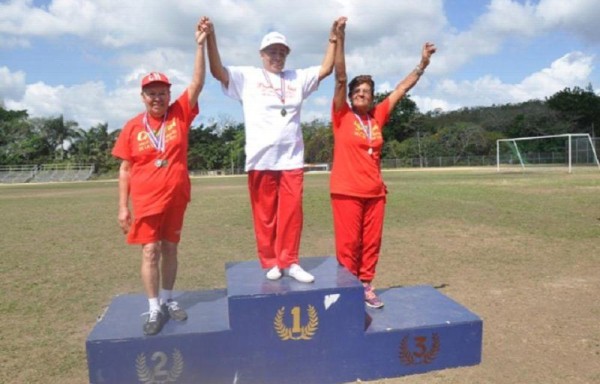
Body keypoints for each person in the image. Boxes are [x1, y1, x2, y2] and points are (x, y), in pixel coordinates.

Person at [201, 16, 345, 283]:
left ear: (287, 55)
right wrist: (211, 37)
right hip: (260, 159)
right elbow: (217, 71)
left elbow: (325, 69)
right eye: (272, 52)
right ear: (262, 54)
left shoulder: (296, 78)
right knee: (265, 216)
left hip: (291, 158)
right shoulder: (248, 76)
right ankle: (270, 261)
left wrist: (333, 39)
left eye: (282, 52)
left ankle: (290, 261)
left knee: (291, 214)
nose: (277, 56)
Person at [330, 18, 436, 308]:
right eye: (358, 92)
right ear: (351, 97)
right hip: (347, 192)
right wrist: (340, 40)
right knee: (348, 246)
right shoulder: (342, 116)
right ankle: (347, 289)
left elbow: (401, 89)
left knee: (371, 245)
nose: (362, 95)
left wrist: (422, 64)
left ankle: (365, 286)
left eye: (367, 92)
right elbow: (340, 76)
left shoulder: (377, 116)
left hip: (375, 193)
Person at [111, 19, 207, 336]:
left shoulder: (179, 113)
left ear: (168, 94)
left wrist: (200, 44)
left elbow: (196, 83)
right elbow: (124, 168)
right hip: (147, 200)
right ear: (143, 97)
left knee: (170, 249)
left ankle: (167, 300)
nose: (157, 98)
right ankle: (153, 308)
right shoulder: (132, 127)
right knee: (150, 251)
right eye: (151, 93)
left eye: (162, 92)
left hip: (176, 196)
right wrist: (123, 207)